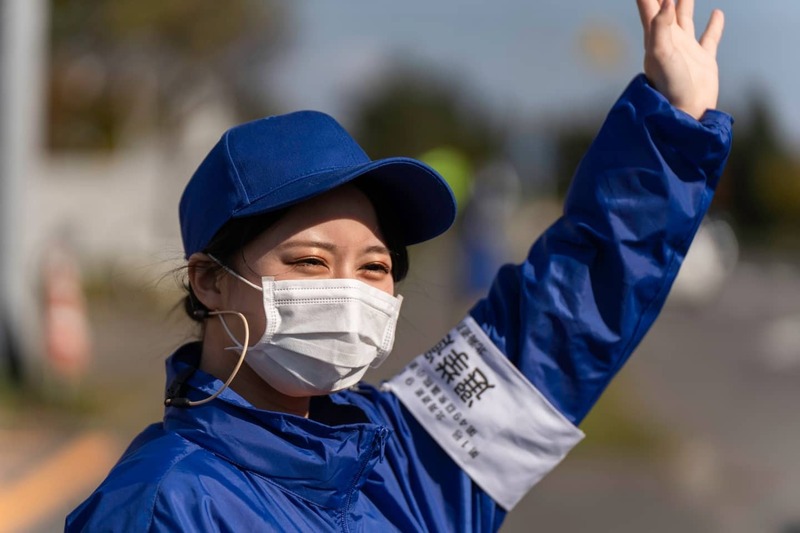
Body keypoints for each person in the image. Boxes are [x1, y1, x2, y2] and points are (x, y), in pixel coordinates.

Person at [66, 1, 731, 530]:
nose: (349, 292)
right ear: (210, 279)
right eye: (310, 260)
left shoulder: (405, 460)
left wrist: (673, 126)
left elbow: (563, 321)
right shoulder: (162, 504)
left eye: (374, 266)